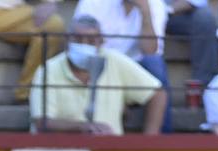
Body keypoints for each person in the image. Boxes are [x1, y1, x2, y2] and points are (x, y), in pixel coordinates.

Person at [29, 14, 167, 135]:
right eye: (77, 39)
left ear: (101, 42)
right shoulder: (48, 70)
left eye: (91, 41)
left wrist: (150, 139)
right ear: (67, 40)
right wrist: (83, 127)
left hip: (108, 150)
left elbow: (157, 94)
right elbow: (41, 122)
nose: (84, 44)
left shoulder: (114, 60)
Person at [73, 0, 173, 131]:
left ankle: (160, 143)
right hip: (101, 60)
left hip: (135, 65)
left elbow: (150, 51)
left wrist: (146, 12)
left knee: (154, 63)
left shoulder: (155, 4)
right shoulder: (92, 2)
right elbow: (81, 44)